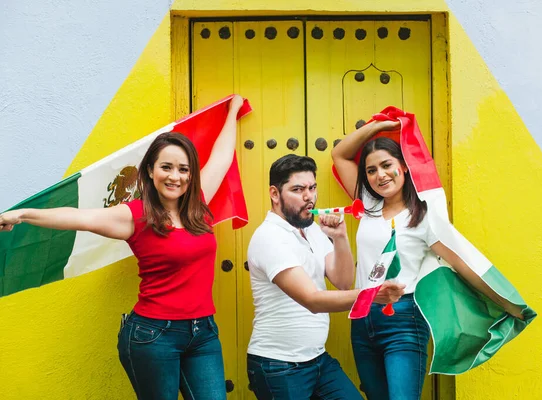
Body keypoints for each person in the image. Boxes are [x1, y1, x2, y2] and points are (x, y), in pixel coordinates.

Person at [0, 95, 246, 400]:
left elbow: (221, 159)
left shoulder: (199, 206)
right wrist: (22, 215)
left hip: (204, 334)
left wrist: (232, 111)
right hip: (155, 336)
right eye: (166, 167)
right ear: (151, 172)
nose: (175, 176)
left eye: (183, 169)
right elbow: (79, 217)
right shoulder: (136, 215)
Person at [331, 120, 525, 400]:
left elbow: (460, 264)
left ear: (404, 166)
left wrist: (507, 303)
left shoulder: (422, 215)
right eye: (371, 170)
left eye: (387, 165)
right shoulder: (368, 205)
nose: (380, 175)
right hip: (362, 317)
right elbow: (339, 155)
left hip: (403, 320)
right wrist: (378, 126)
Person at [246, 154, 405, 400]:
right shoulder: (269, 237)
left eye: (312, 187)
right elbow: (313, 300)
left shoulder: (311, 229)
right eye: (298, 189)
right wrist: (373, 295)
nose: (309, 197)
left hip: (317, 359)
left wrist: (340, 237)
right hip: (279, 366)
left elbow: (342, 282)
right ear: (275, 194)